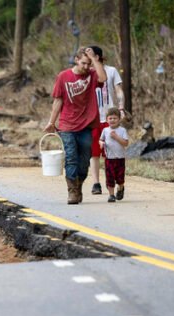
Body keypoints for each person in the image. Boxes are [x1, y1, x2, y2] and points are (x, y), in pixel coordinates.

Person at [45, 47, 107, 204]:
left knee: (85, 160)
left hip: (87, 124)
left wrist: (94, 59)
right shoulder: (63, 76)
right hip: (67, 124)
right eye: (84, 63)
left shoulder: (92, 75)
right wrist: (52, 122)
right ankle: (72, 191)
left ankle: (78, 184)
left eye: (89, 64)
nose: (86, 67)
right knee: (71, 157)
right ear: (76, 60)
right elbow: (58, 100)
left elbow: (103, 78)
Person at [87, 45, 126, 196]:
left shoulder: (111, 71)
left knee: (112, 152)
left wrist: (121, 108)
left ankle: (117, 182)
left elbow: (118, 90)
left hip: (110, 118)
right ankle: (96, 183)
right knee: (94, 152)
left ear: (96, 57)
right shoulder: (87, 73)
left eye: (90, 55)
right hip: (93, 118)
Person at [99, 108, 129, 202]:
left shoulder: (122, 130)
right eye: (110, 118)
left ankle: (121, 188)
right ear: (107, 120)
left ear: (119, 119)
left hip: (120, 158)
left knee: (120, 178)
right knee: (110, 177)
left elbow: (125, 143)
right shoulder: (105, 130)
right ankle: (111, 195)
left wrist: (116, 137)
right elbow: (101, 139)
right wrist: (101, 143)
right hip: (109, 158)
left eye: (115, 118)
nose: (112, 120)